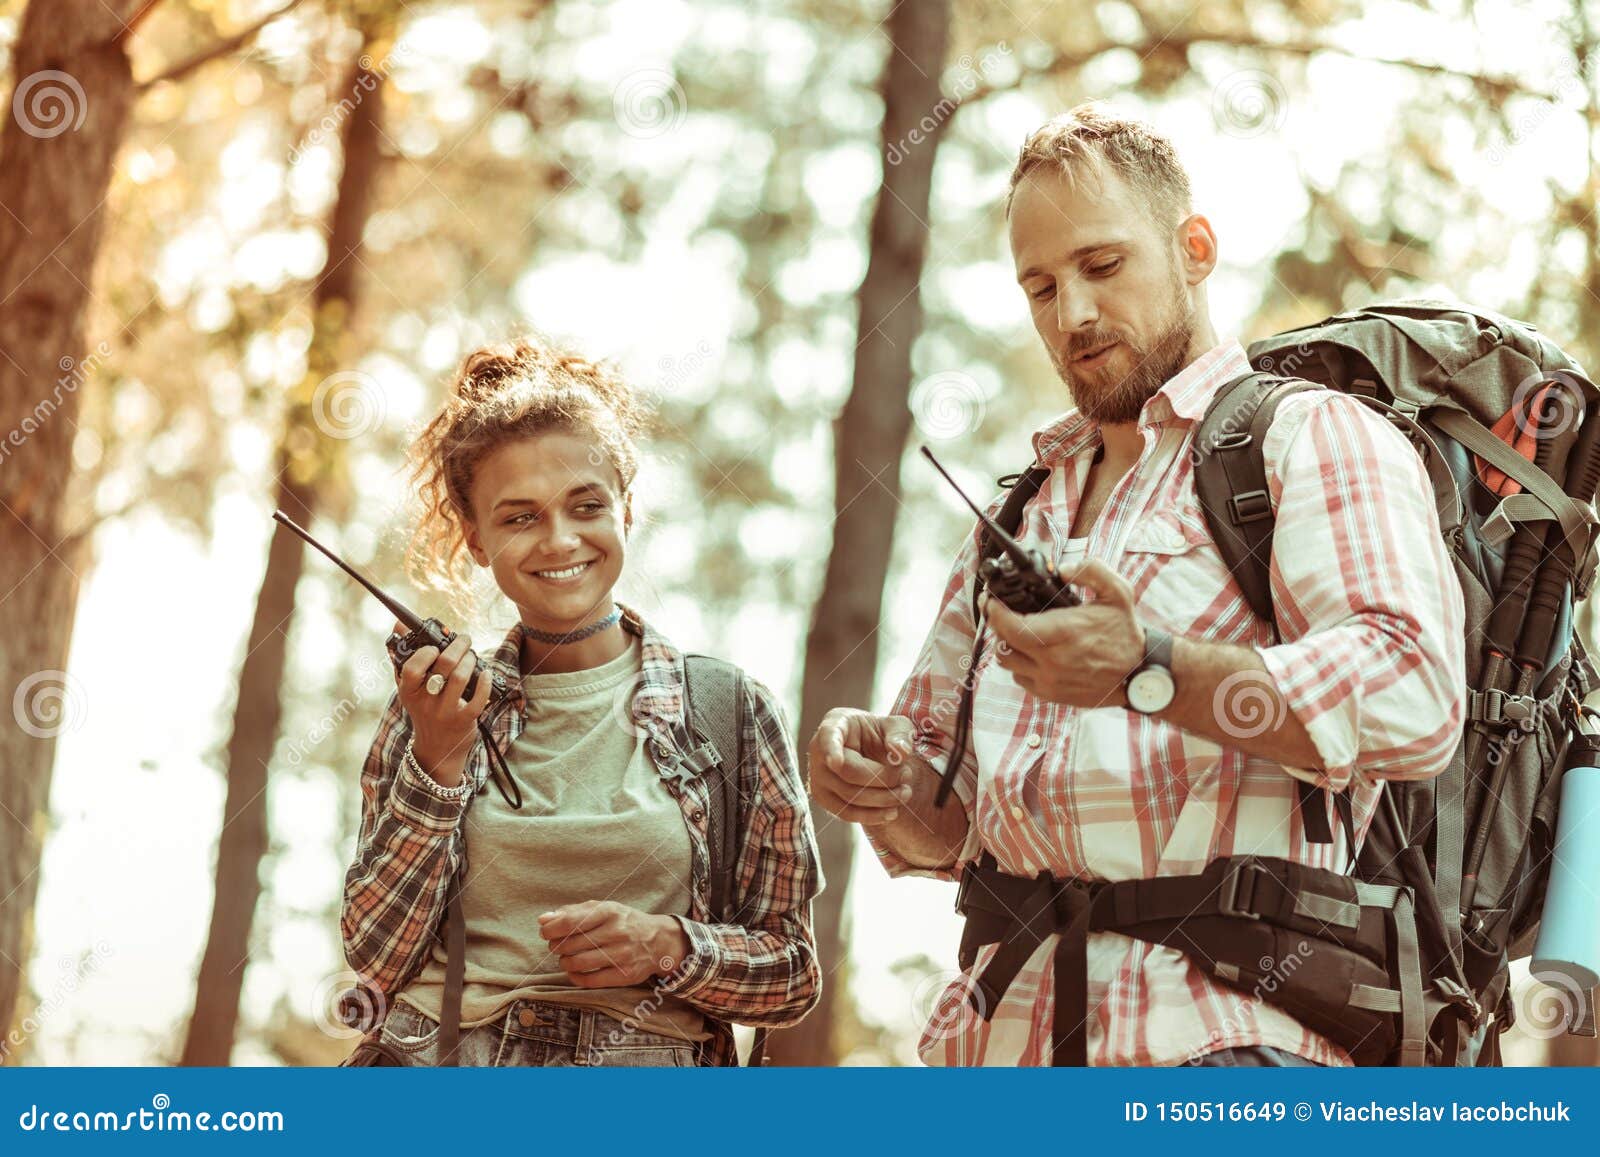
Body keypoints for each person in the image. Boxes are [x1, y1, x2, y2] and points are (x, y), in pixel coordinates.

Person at [808, 102, 1465, 1067]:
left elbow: (1414, 692)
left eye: (1101, 266)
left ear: (1194, 248)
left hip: (1224, 1050)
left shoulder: (1308, 439)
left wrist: (1148, 668)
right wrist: (885, 780)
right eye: (1040, 285)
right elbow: (943, 822)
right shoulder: (1020, 514)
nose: (1071, 313)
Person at [340, 337, 822, 1066]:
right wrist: (439, 761)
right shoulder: (431, 705)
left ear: (627, 509)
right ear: (475, 538)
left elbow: (792, 975)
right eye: (519, 517)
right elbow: (374, 955)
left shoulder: (730, 711)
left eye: (586, 505)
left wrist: (668, 945)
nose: (559, 539)